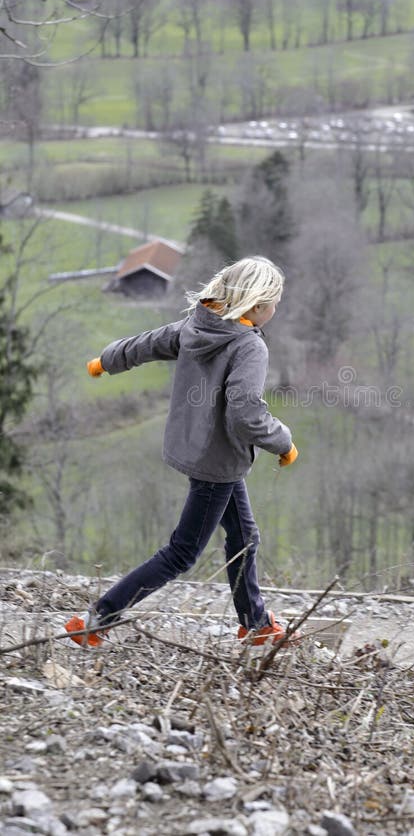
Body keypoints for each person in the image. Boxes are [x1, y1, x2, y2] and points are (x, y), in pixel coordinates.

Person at [65, 256, 298, 648]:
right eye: (274, 302)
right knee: (182, 553)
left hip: (198, 449)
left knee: (244, 537)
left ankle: (255, 623)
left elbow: (150, 342)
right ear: (257, 304)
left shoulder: (200, 324)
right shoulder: (248, 346)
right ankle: (96, 619)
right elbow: (246, 414)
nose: (275, 308)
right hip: (216, 462)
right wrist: (283, 442)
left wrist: (107, 360)